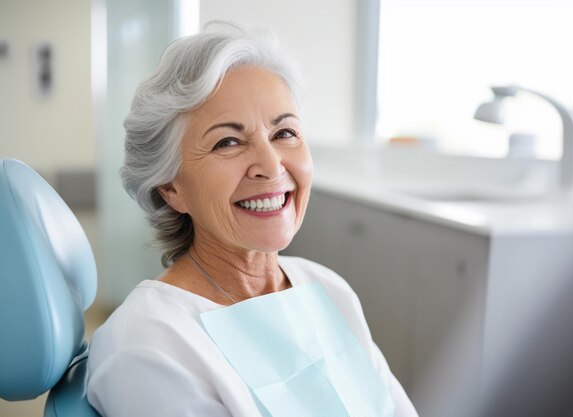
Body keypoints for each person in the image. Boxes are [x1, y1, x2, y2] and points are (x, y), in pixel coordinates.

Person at [87, 22, 418, 417]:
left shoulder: (327, 289)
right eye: (228, 141)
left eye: (284, 133)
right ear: (170, 188)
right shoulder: (147, 343)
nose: (270, 165)